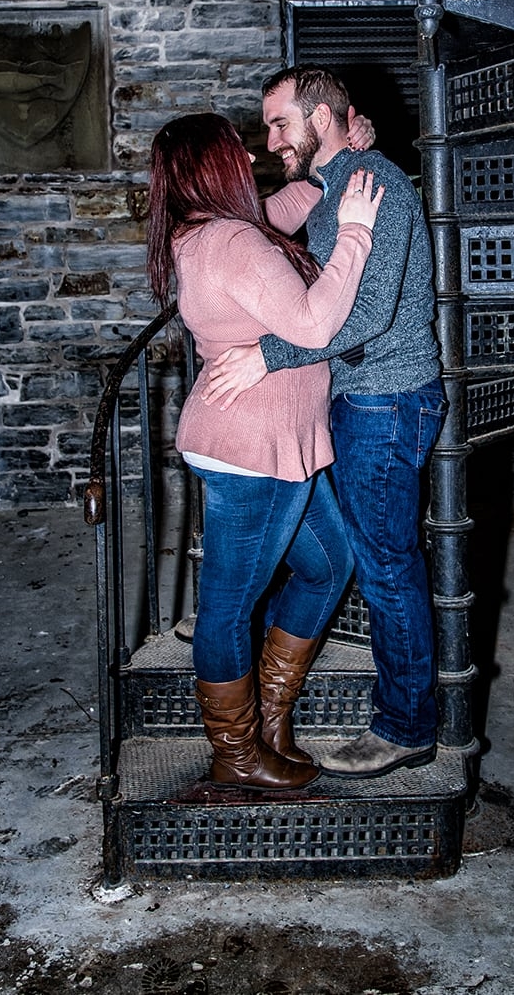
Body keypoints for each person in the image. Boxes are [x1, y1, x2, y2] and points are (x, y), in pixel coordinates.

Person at [203, 66, 446, 779]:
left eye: (281, 123)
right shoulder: (338, 181)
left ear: (322, 116)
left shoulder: (374, 186)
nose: (271, 138)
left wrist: (268, 356)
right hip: (358, 396)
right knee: (345, 553)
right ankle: (234, 617)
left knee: (386, 567)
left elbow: (366, 312)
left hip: (385, 403)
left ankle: (406, 727)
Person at [146, 111, 383, 792]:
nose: (250, 160)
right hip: (253, 450)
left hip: (274, 443)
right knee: (227, 608)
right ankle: (236, 752)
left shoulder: (205, 231)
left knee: (326, 565)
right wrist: (357, 235)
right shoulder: (231, 244)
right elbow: (311, 324)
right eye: (236, 153)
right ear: (218, 166)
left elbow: (278, 211)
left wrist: (330, 168)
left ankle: (269, 719)